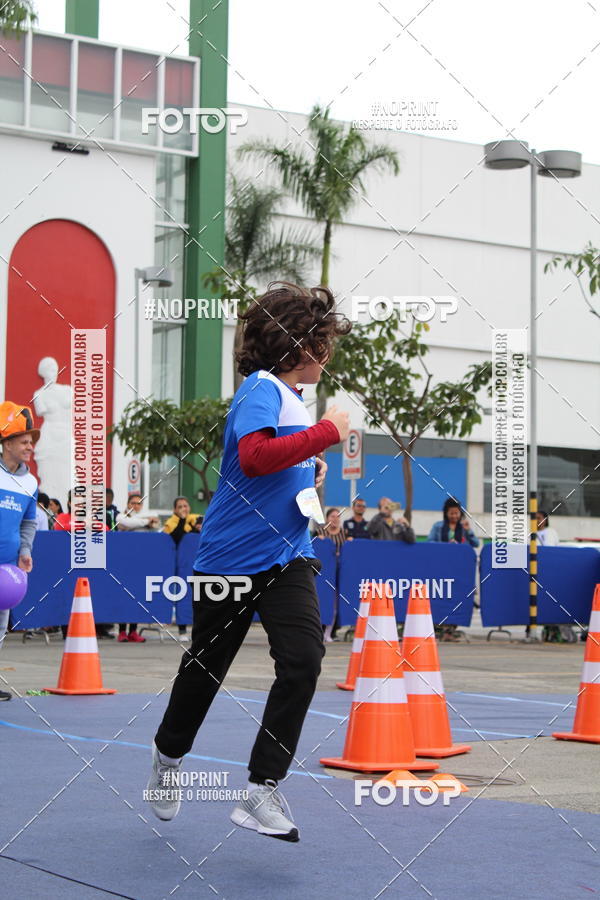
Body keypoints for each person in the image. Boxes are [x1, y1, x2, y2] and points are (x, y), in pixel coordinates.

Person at [147, 281, 350, 841]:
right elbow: (256, 458)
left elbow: (279, 470)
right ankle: (168, 758)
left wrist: (314, 475)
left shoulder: (293, 402)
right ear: (295, 347)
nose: (327, 352)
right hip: (231, 562)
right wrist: (327, 433)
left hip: (288, 558)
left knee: (305, 660)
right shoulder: (260, 388)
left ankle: (261, 789)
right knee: (206, 670)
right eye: (320, 341)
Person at [0, 403, 40, 701]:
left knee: (1, 627)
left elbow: (28, 522)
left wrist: (25, 550)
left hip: (7, 567)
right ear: (7, 442)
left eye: (31, 442)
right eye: (25, 441)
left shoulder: (30, 482)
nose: (30, 447)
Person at [428, 498, 479, 641]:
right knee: (441, 598)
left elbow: (475, 543)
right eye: (451, 513)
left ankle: (450, 630)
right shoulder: (438, 526)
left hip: (459, 571)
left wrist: (469, 531)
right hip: (442, 570)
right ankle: (439, 628)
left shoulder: (464, 528)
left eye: (456, 513)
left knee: (457, 599)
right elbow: (429, 542)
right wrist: (445, 547)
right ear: (446, 513)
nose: (454, 516)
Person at [116, 494, 159, 642]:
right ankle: (122, 631)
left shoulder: (147, 515)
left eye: (139, 503)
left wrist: (142, 522)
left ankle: (133, 631)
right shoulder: (120, 516)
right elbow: (124, 523)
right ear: (128, 504)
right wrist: (146, 522)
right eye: (133, 503)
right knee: (123, 596)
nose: (136, 506)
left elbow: (156, 524)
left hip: (140, 563)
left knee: (136, 597)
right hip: (124, 563)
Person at [163, 497, 203, 641]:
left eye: (185, 506)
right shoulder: (171, 523)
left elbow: (199, 531)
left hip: (196, 563)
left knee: (199, 597)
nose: (183, 509)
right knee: (182, 596)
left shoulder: (195, 519)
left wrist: (198, 527)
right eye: (179, 506)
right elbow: (178, 535)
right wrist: (181, 519)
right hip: (180, 565)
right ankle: (182, 630)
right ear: (175, 510)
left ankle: (198, 631)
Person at [315, 508, 348, 642]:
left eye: (338, 516)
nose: (335, 519)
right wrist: (319, 541)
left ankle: (328, 633)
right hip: (323, 573)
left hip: (339, 572)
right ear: (327, 518)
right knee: (321, 600)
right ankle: (317, 630)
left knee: (334, 603)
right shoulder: (320, 532)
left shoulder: (344, 534)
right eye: (332, 516)